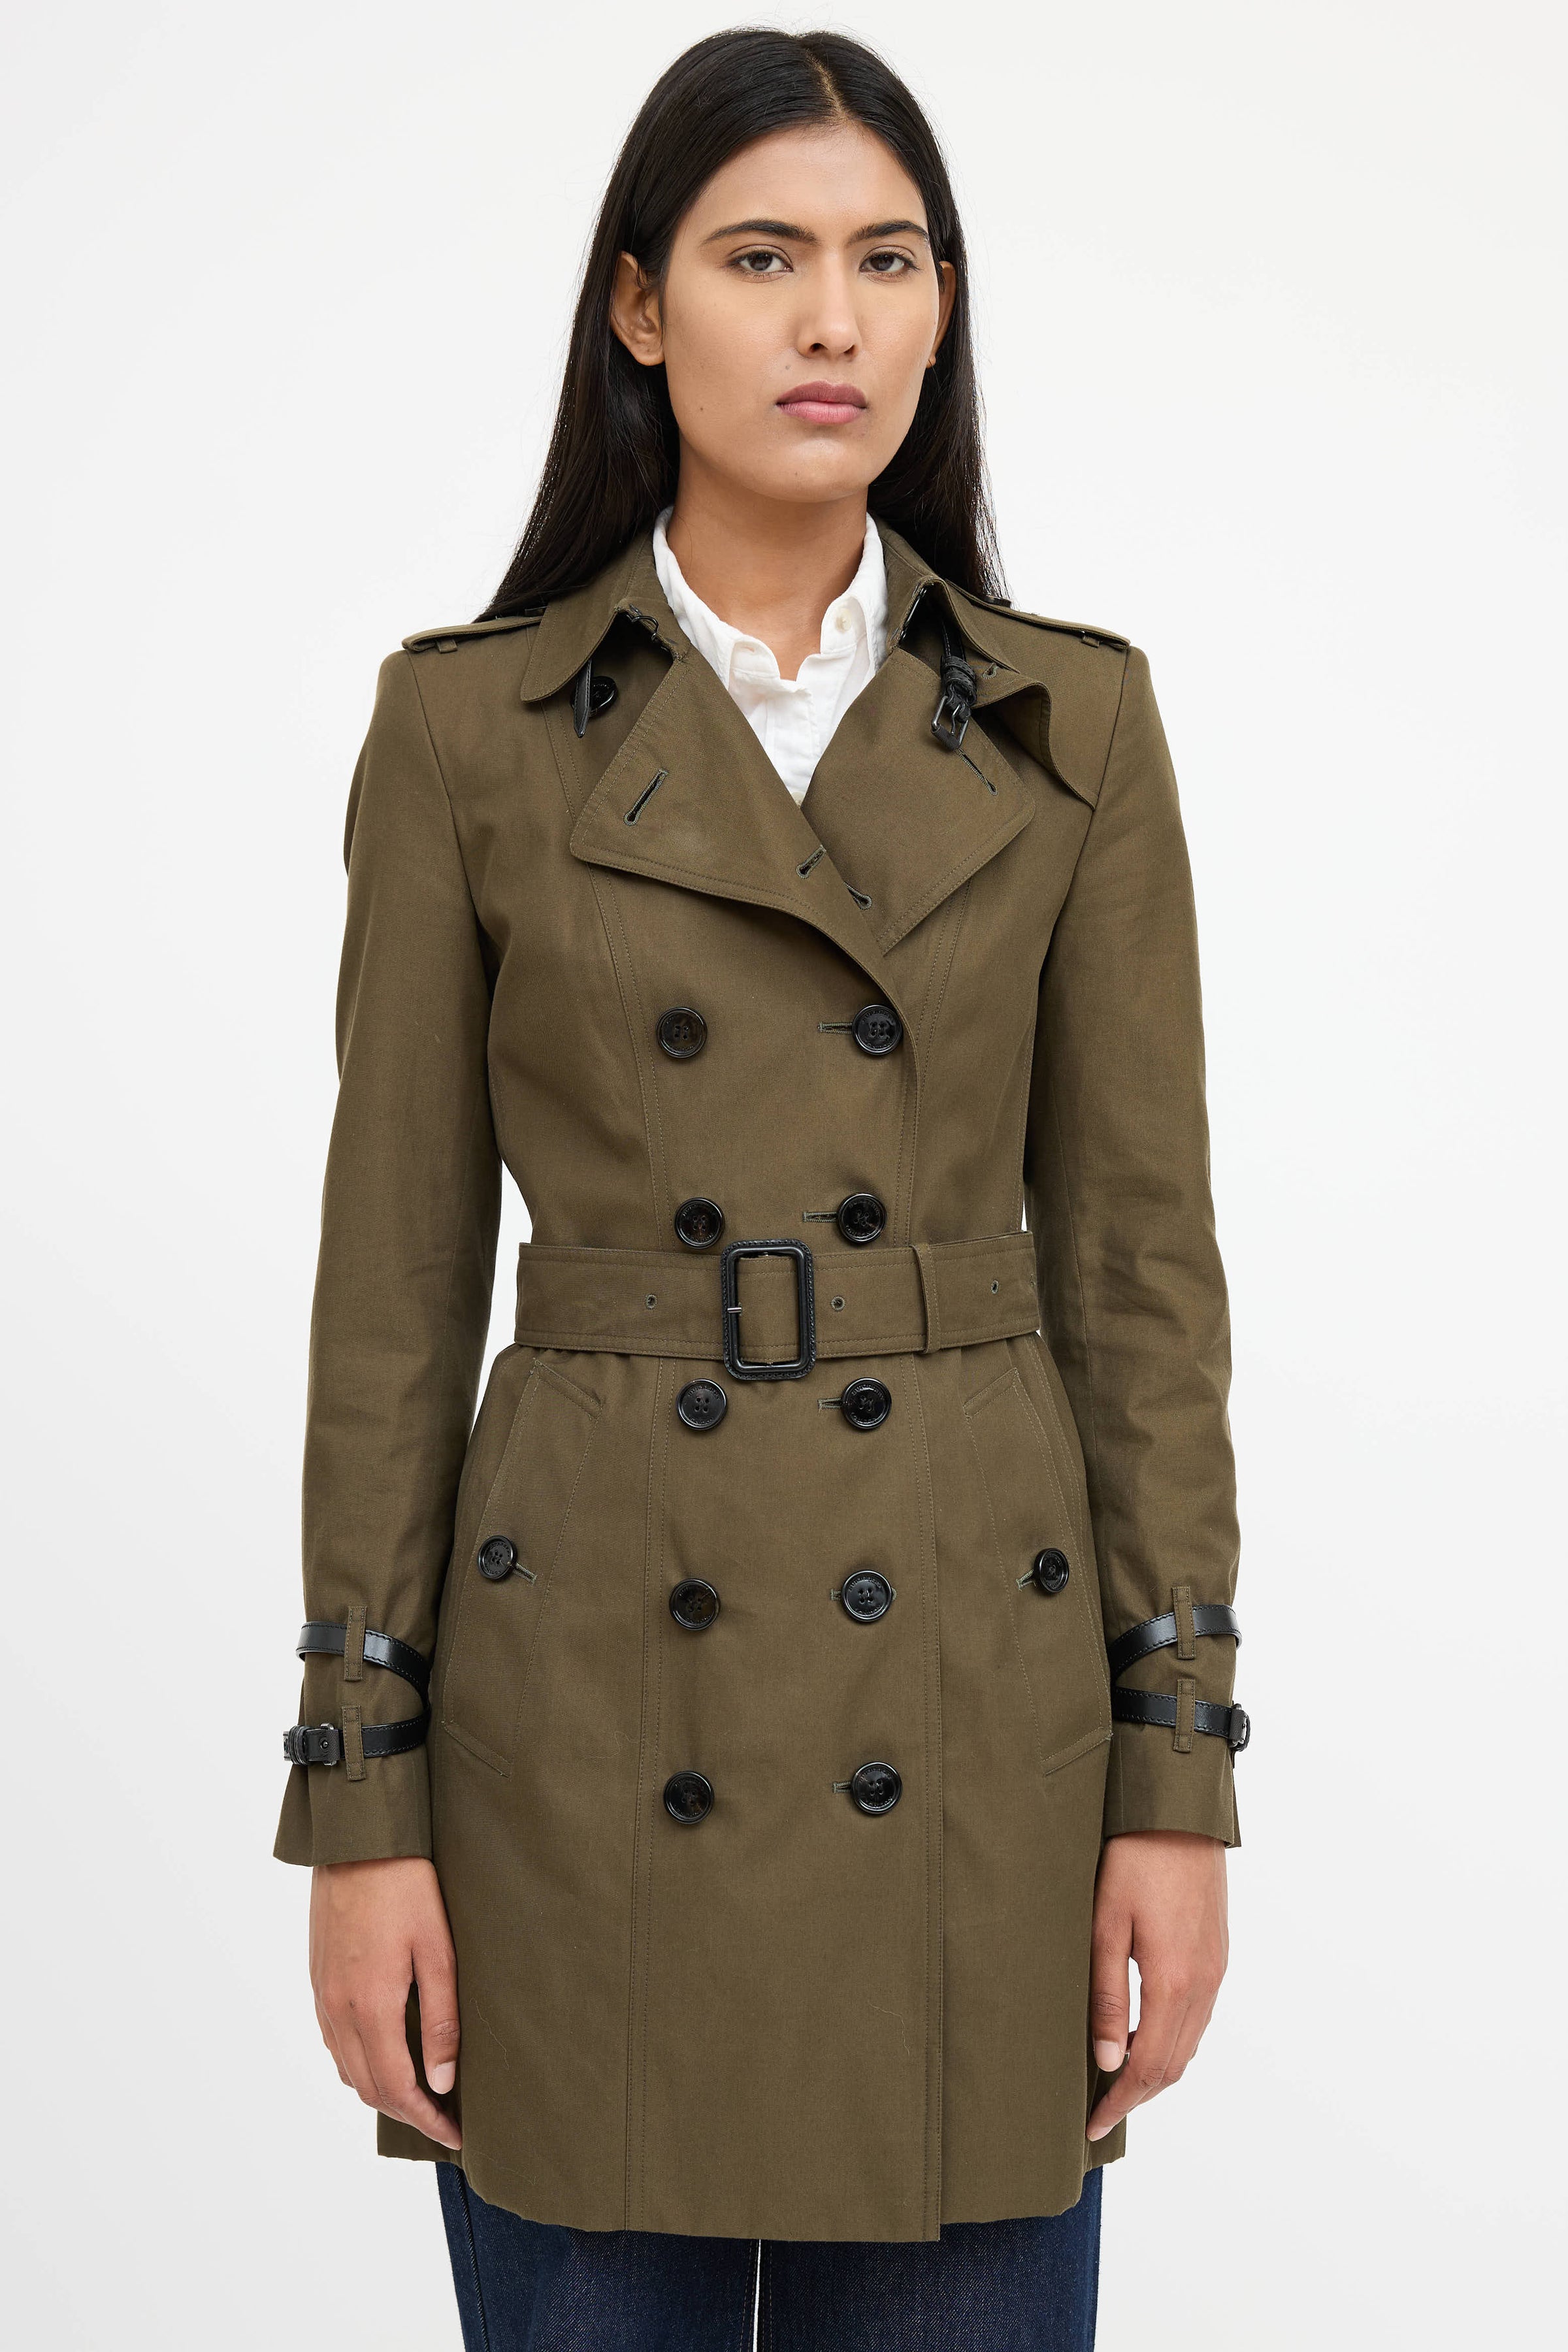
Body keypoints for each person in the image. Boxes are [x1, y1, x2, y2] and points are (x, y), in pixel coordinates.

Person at [274, 27, 1247, 2351]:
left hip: (975, 1728)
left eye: (891, 261)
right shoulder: (469, 730)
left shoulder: (1073, 725)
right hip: (586, 1733)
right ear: (638, 306)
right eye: (761, 257)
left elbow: (1139, 1283)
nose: (835, 321)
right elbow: (392, 1300)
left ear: (944, 309)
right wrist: (360, 1804)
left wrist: (1177, 1773)